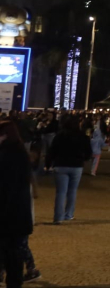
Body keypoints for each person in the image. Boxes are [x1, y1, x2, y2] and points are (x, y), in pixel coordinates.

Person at [0, 120, 35, 288]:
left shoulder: (7, 155)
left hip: (8, 215)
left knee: (11, 256)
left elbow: (6, 187)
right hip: (19, 215)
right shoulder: (21, 153)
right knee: (14, 257)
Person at [47, 117, 92, 224]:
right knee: (72, 191)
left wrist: (49, 164)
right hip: (76, 165)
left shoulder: (60, 136)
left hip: (61, 164)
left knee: (61, 192)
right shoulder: (83, 137)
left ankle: (58, 217)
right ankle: (69, 214)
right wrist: (84, 159)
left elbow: (52, 151)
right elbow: (88, 152)